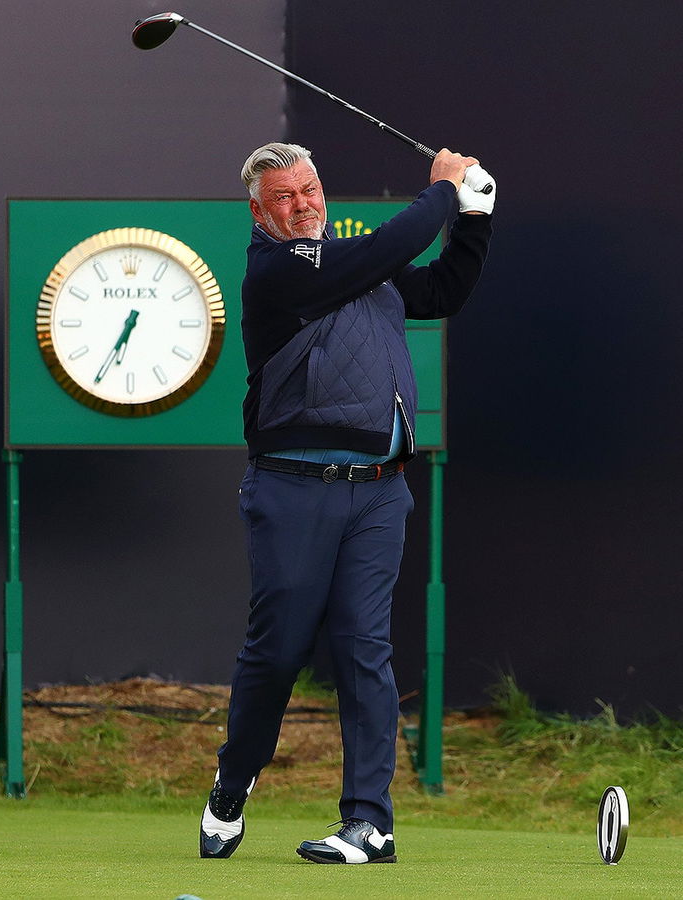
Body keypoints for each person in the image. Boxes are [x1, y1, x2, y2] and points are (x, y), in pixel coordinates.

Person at [199, 142, 494, 864]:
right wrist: (443, 192)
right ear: (259, 212)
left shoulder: (359, 264)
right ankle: (233, 785)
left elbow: (442, 291)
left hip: (380, 493)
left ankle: (371, 822)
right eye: (285, 197)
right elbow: (394, 243)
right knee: (277, 656)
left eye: (310, 189)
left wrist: (476, 215)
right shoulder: (277, 270)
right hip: (293, 491)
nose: (303, 205)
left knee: (366, 650)